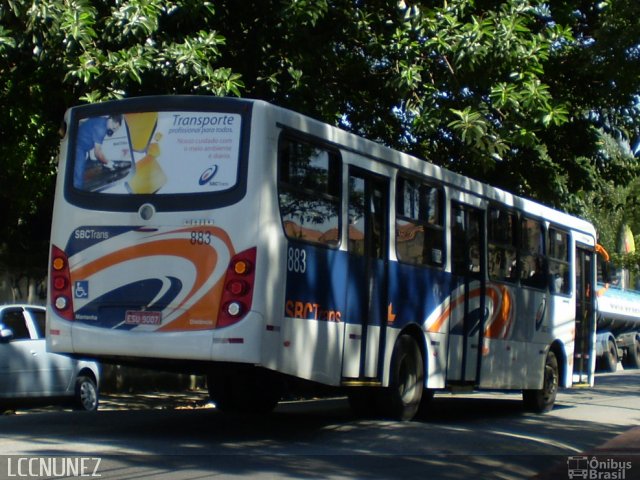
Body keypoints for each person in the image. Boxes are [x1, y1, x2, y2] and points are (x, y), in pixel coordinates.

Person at [74, 114, 123, 189]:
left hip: (81, 147)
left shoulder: (102, 121)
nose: (114, 131)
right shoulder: (101, 128)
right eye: (115, 129)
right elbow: (97, 153)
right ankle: (76, 196)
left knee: (80, 170)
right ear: (114, 122)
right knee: (79, 177)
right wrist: (108, 163)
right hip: (78, 147)